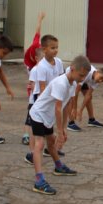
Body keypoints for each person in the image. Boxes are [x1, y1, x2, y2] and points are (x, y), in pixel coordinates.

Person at [27, 55, 90, 195]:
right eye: (80, 75)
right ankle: (39, 181)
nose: (82, 79)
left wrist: (65, 128)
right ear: (72, 69)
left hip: (47, 117)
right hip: (38, 114)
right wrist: (60, 131)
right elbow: (57, 108)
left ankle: (58, 166)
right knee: (39, 144)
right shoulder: (60, 83)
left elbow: (66, 105)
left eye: (84, 76)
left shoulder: (73, 84)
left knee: (51, 142)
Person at [66, 65, 103, 131]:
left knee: (89, 97)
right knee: (71, 98)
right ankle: (71, 123)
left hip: (82, 80)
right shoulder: (87, 72)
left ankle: (91, 120)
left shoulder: (97, 80)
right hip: (72, 76)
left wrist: (80, 110)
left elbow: (88, 95)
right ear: (97, 71)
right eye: (101, 78)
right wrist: (75, 108)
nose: (100, 81)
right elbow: (76, 93)